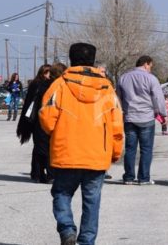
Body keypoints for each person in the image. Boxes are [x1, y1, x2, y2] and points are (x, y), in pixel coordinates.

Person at [39, 43, 124, 244]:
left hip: (66, 152)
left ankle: (67, 229)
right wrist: (115, 151)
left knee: (61, 193)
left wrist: (60, 133)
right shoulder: (107, 89)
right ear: (93, 61)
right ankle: (87, 241)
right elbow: (117, 124)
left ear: (71, 59)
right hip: (97, 155)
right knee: (92, 201)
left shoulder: (59, 85)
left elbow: (46, 118)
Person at [116, 55, 167, 185]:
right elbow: (158, 98)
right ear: (146, 64)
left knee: (130, 149)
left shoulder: (123, 77)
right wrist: (163, 114)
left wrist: (122, 111)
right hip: (146, 117)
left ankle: (128, 177)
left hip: (129, 117)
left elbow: (118, 97)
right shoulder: (151, 78)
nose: (150, 69)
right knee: (146, 149)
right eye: (150, 66)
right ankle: (143, 178)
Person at [16, 64, 53, 183]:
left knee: (39, 147)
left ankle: (37, 173)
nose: (49, 75)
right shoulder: (40, 85)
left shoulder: (38, 84)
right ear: (43, 73)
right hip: (38, 119)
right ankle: (42, 173)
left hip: (40, 119)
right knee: (42, 147)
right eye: (47, 73)